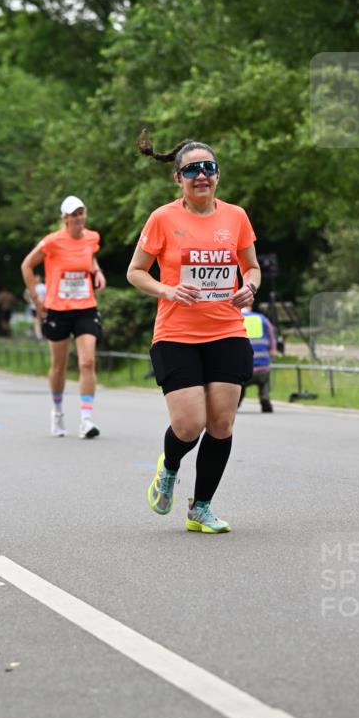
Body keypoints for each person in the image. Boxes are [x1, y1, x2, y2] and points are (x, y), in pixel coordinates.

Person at [127, 133, 261, 533]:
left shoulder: (236, 217)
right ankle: (168, 468)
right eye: (192, 170)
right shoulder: (162, 219)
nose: (202, 176)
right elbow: (135, 272)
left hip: (227, 330)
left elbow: (251, 267)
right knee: (189, 425)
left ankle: (201, 508)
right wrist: (167, 289)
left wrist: (250, 287)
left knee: (221, 425)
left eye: (209, 169)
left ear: (218, 175)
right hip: (176, 334)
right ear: (178, 179)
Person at [21, 195, 106, 438]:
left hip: (85, 307)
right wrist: (37, 301)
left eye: (81, 213)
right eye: (74, 214)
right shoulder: (52, 242)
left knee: (87, 362)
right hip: (57, 309)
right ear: (65, 218)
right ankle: (57, 411)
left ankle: (86, 419)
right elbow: (26, 265)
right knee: (59, 366)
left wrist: (97, 272)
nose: (79, 218)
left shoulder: (92, 237)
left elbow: (90, 256)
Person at [238, 304, 278, 413]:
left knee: (240, 385)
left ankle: (237, 401)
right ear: (250, 305)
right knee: (264, 382)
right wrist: (273, 350)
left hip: (243, 367)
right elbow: (272, 337)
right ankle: (264, 396)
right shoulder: (262, 318)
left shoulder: (236, 319)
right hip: (263, 365)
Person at [24, 275, 46, 341]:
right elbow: (26, 295)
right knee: (36, 320)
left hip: (43, 306)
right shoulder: (31, 286)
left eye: (38, 278)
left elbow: (48, 295)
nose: (37, 279)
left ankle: (42, 333)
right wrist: (30, 302)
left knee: (42, 320)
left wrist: (44, 302)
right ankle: (39, 335)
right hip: (34, 307)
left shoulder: (43, 286)